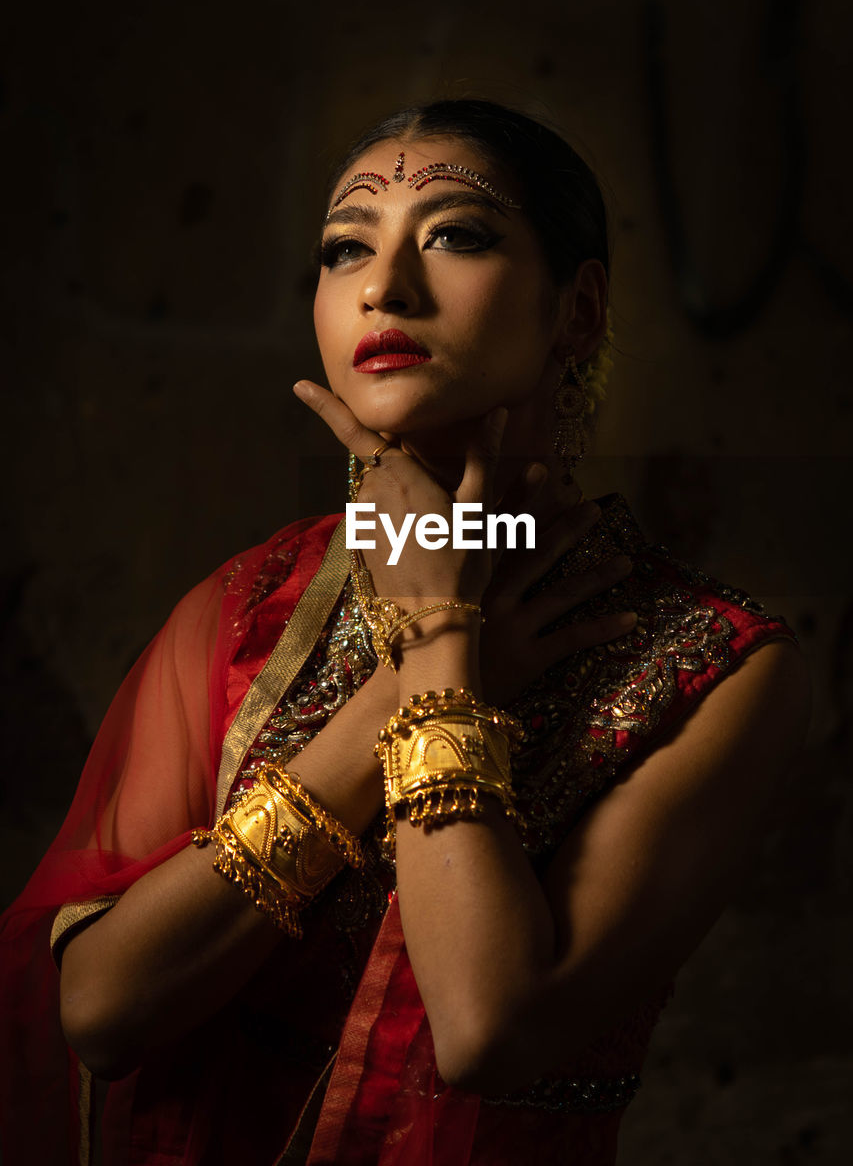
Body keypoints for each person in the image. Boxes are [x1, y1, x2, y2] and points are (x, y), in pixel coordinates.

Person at [0, 99, 810, 1165]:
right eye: (348, 247)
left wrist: (435, 631)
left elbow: (487, 1029)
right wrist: (407, 680)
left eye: (456, 235)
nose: (385, 285)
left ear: (578, 308)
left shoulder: (715, 662)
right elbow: (101, 1010)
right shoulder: (247, 606)